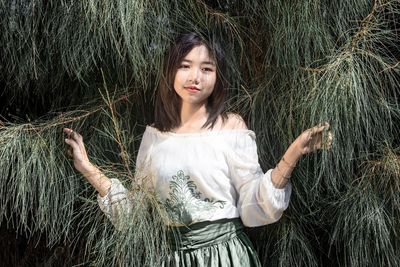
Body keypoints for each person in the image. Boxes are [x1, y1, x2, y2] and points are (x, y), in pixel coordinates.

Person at [64, 32, 333, 266]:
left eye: (207, 68)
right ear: (171, 71)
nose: (195, 77)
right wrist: (89, 170)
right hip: (170, 258)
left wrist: (293, 153)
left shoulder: (231, 128)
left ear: (218, 76)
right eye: (185, 65)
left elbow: (254, 204)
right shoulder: (155, 136)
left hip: (225, 256)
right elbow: (136, 215)